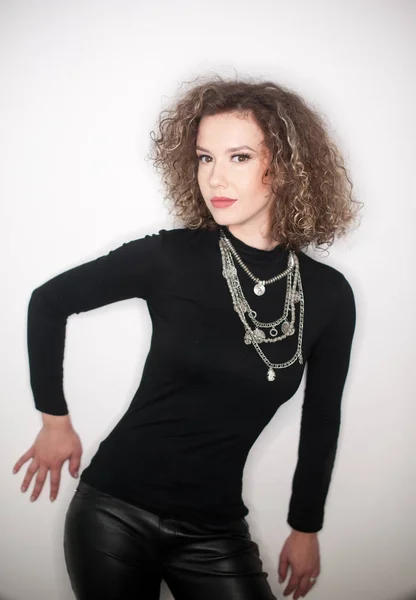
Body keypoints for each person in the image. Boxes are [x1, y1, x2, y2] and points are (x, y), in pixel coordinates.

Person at [13, 73, 360, 600]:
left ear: (286, 167)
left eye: (239, 157)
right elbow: (49, 301)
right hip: (113, 511)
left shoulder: (329, 295)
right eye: (205, 158)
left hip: (215, 529)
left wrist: (305, 526)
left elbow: (322, 418)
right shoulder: (171, 257)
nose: (216, 178)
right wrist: (54, 421)